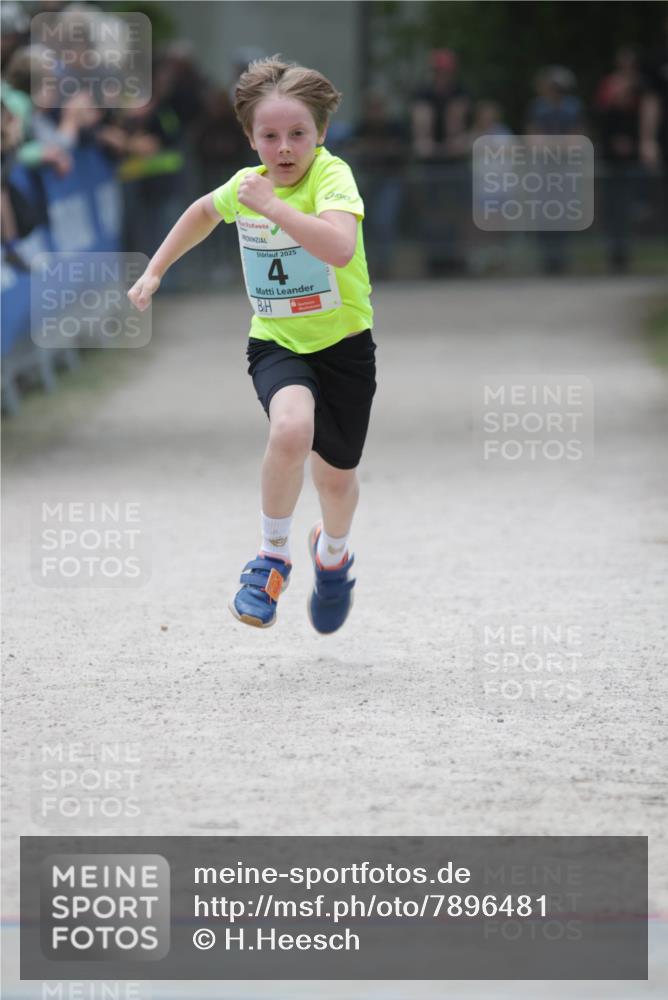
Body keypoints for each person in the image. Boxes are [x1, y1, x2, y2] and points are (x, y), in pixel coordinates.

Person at [127, 56, 377, 634]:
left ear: (321, 135)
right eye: (270, 136)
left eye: (298, 135)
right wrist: (155, 270)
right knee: (290, 429)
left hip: (343, 343)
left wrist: (274, 208)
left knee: (336, 480)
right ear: (250, 137)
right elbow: (201, 212)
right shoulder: (245, 184)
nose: (284, 148)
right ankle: (271, 558)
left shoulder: (331, 177)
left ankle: (333, 557)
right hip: (277, 340)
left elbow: (339, 250)